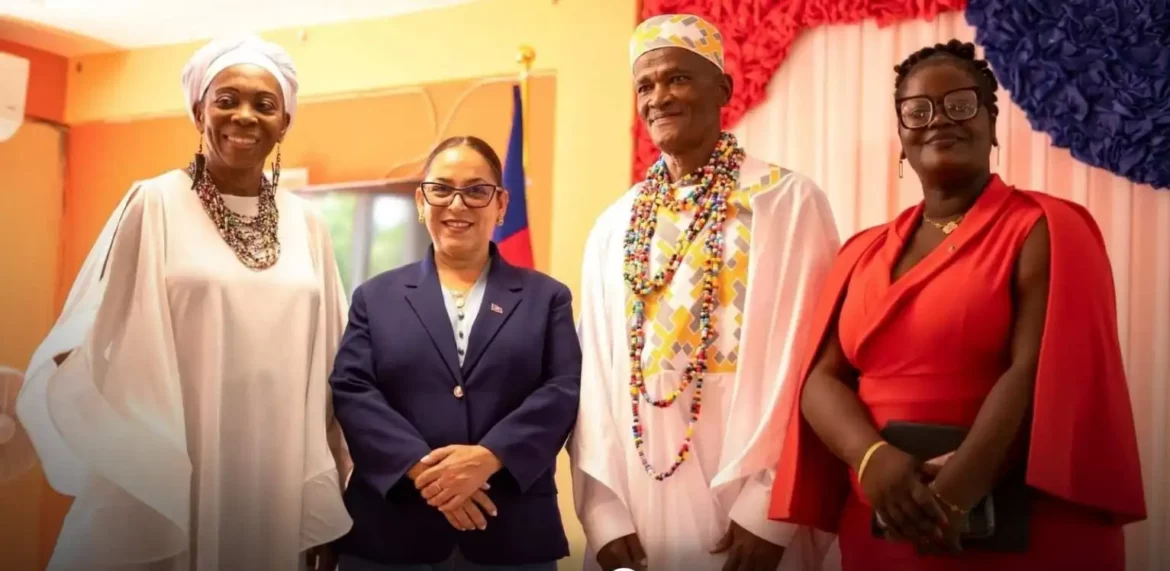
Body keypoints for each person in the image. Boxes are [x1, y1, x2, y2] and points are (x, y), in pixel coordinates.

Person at [768, 40, 1147, 570]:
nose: (939, 120)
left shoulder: (1048, 226)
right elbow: (821, 379)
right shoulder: (862, 250)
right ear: (901, 137)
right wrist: (873, 459)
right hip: (885, 520)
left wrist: (951, 496)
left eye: (961, 105)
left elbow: (1038, 372)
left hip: (1014, 521)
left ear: (992, 127)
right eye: (917, 111)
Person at [15, 36, 353, 571]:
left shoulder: (306, 222)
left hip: (275, 464)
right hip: (178, 457)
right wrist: (77, 383)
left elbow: (335, 360)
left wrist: (331, 486)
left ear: (284, 122)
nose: (244, 116)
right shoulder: (155, 202)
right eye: (226, 99)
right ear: (200, 110)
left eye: (264, 104)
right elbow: (94, 325)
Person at [569, 13, 841, 571]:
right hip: (641, 484)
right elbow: (592, 371)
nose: (659, 97)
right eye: (645, 85)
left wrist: (773, 508)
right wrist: (602, 514)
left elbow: (814, 360)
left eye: (677, 78)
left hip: (750, 479)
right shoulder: (613, 226)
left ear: (723, 88)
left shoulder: (787, 202)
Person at [329, 136, 581, 571]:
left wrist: (489, 458)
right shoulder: (376, 296)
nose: (457, 204)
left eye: (476, 190)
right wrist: (427, 473)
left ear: (501, 203)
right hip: (390, 530)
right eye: (441, 189)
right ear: (421, 201)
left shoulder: (547, 297)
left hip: (510, 530)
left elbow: (562, 391)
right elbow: (353, 391)